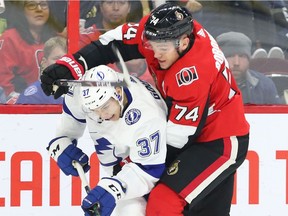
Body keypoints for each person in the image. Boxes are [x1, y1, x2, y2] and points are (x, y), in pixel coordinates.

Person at [41, 3, 250, 215]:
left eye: (163, 49)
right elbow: (111, 43)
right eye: (151, 45)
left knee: (161, 202)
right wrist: (71, 65)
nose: (155, 54)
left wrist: (128, 175)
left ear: (184, 43)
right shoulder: (163, 30)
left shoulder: (192, 75)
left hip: (218, 141)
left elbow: (177, 139)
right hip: (189, 127)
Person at [47, 64, 167, 215]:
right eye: (94, 110)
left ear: (118, 92)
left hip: (160, 168)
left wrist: (114, 188)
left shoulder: (148, 116)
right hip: (122, 170)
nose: (102, 115)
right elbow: (70, 119)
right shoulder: (84, 91)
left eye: (104, 107)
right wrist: (62, 142)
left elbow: (150, 171)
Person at [0, 0, 59, 104]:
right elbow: (4, 80)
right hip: (21, 105)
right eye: (32, 5)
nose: (39, 9)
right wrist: (21, 102)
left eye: (43, 5)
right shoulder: (9, 38)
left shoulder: (56, 38)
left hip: (51, 102)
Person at [216, 31, 282, 105]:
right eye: (230, 56)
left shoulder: (265, 85)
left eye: (242, 56)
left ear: (249, 60)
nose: (236, 63)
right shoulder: (206, 85)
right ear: (220, 59)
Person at [16, 36, 66, 104]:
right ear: (44, 62)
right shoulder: (33, 96)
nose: (63, 63)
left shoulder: (79, 90)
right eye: (57, 58)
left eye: (67, 59)